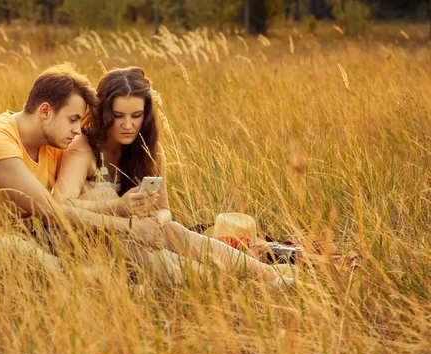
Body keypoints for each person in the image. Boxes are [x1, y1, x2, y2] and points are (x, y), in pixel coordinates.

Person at [53, 67, 296, 285]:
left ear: (145, 115)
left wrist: (153, 222)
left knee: (174, 230)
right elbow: (59, 205)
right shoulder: (82, 149)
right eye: (118, 116)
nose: (128, 125)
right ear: (104, 112)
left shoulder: (150, 150)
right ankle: (242, 282)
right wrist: (119, 208)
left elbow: (165, 210)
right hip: (92, 239)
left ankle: (267, 275)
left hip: (139, 237)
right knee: (102, 194)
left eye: (136, 115)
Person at [0, 64, 165, 275]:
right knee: (17, 249)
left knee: (99, 195)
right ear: (45, 111)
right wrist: (128, 225)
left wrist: (118, 206)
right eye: (73, 119)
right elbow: (49, 211)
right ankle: (100, 280)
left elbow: (76, 201)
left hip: (28, 238)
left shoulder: (54, 143)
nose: (78, 130)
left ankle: (158, 271)